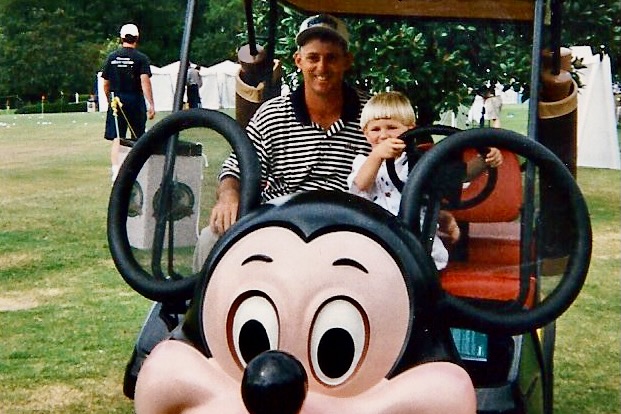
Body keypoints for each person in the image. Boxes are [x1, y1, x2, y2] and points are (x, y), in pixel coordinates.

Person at [126, 15, 473, 411]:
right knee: (211, 239)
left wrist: (436, 212)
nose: (321, 67)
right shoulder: (272, 114)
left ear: (346, 61)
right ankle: (207, 344)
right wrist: (227, 196)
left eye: (330, 57)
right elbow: (235, 169)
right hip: (277, 225)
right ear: (298, 61)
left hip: (354, 232)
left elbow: (407, 172)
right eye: (313, 58)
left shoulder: (373, 117)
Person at [347, 91, 503, 270]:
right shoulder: (364, 162)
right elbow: (359, 186)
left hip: (420, 246)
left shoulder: (422, 161)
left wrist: (484, 161)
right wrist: (377, 156)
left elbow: (461, 175)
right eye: (375, 129)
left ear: (411, 129)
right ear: (365, 134)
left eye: (391, 127)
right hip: (378, 247)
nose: (383, 135)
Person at [102, 23, 155, 182]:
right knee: (138, 136)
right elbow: (144, 81)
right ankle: (137, 169)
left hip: (117, 100)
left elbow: (105, 82)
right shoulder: (141, 58)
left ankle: (116, 171)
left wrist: (109, 100)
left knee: (118, 137)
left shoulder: (112, 57)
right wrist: (151, 103)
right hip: (135, 99)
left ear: (121, 38)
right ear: (137, 38)